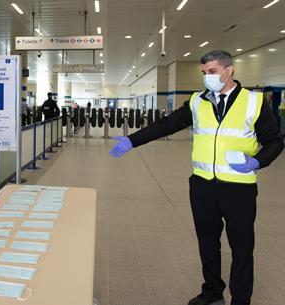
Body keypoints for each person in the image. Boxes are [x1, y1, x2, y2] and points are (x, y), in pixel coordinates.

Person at [109, 50, 283, 305]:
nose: (207, 77)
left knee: (242, 248)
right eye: (204, 73)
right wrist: (132, 140)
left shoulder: (254, 102)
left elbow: (275, 142)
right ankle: (212, 293)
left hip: (239, 189)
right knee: (208, 244)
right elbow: (168, 124)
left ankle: (240, 300)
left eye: (212, 72)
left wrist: (257, 161)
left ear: (229, 70)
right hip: (202, 187)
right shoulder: (197, 101)